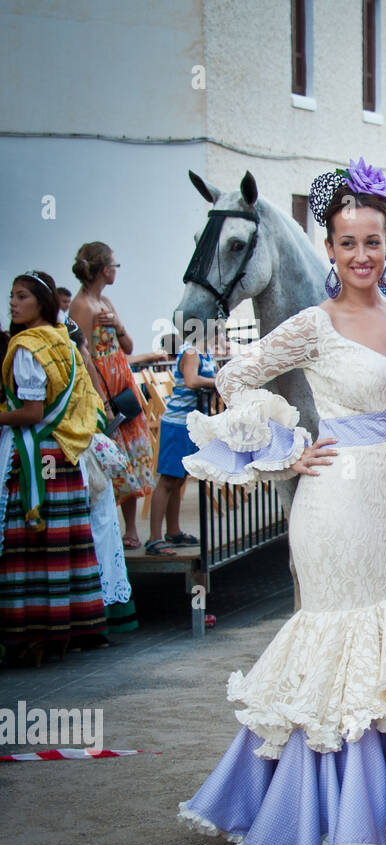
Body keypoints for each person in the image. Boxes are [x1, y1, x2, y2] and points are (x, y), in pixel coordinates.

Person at [177, 160, 386, 845]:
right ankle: (333, 811)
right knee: (345, 640)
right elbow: (234, 376)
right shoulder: (312, 323)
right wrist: (285, 451)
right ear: (328, 250)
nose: (362, 255)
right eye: (347, 243)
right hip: (336, 502)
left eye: (373, 241)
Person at [1, 271, 107, 665]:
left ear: (40, 303)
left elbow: (32, 411)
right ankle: (62, 628)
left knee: (34, 543)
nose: (12, 303)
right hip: (63, 452)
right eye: (12, 296)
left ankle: (32, 633)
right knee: (58, 545)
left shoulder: (28, 347)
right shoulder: (62, 339)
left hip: (36, 454)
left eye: (21, 296)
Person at [68, 242, 158, 550]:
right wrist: (100, 400)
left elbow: (128, 346)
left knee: (131, 456)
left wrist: (118, 325)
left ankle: (131, 528)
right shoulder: (80, 306)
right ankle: (111, 526)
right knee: (112, 458)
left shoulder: (105, 301)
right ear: (105, 269)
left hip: (123, 386)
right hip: (104, 388)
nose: (116, 270)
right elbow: (83, 356)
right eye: (115, 265)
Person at [144, 331, 217, 556]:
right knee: (167, 480)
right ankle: (154, 539)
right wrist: (219, 382)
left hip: (189, 423)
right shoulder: (192, 351)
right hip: (178, 424)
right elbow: (191, 380)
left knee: (178, 479)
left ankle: (173, 532)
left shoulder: (202, 351)